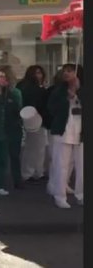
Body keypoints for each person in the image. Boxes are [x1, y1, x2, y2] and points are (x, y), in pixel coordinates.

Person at [48, 64, 83, 208]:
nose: (66, 73)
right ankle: (60, 195)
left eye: (70, 70)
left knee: (82, 166)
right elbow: (51, 108)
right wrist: (66, 99)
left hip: (81, 130)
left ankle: (81, 195)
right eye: (65, 71)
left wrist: (77, 96)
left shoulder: (84, 88)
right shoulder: (59, 90)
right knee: (61, 164)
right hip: (64, 130)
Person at [17, 65, 49, 183]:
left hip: (30, 119)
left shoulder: (23, 86)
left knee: (34, 147)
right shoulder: (36, 89)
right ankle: (32, 172)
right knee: (36, 147)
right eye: (37, 73)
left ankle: (34, 171)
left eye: (40, 73)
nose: (39, 75)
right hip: (36, 119)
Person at [0, 66, 24, 189]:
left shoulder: (15, 93)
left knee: (14, 156)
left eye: (4, 77)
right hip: (1, 128)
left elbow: (18, 109)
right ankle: (2, 182)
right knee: (2, 156)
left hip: (13, 127)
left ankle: (17, 180)